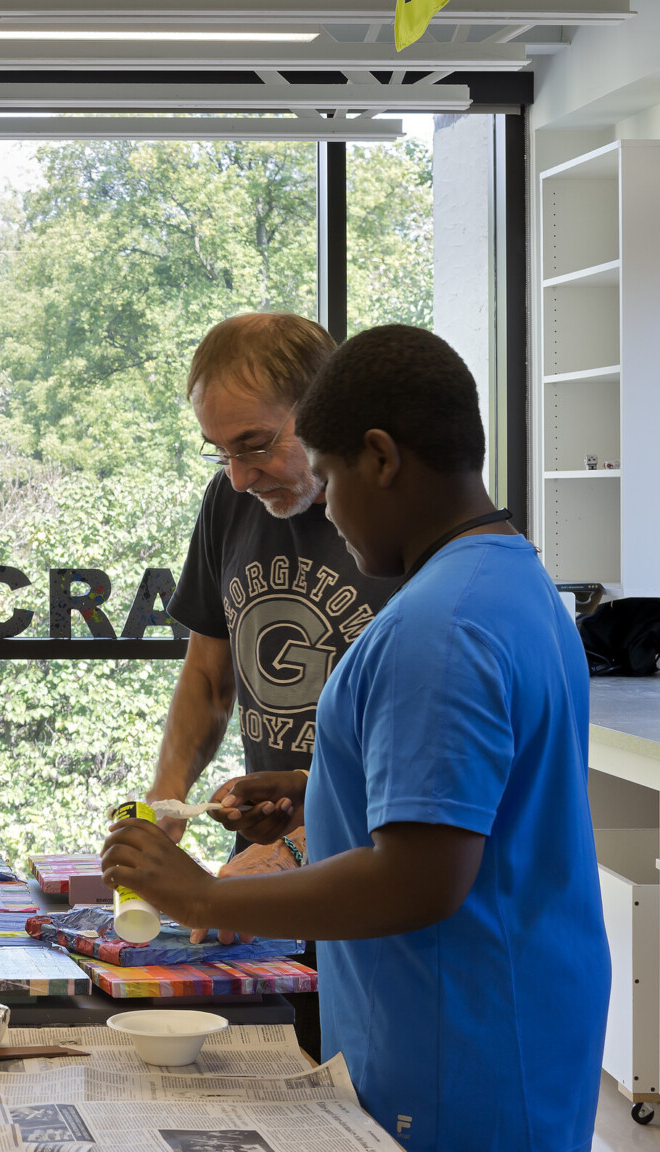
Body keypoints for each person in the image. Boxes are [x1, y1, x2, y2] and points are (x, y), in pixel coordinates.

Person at [104, 325, 609, 1151]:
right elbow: (488, 798)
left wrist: (199, 896)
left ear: (379, 458)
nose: (328, 508)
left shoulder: (437, 627)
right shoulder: (513, 578)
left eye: (332, 476)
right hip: (521, 1019)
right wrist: (325, 791)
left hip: (452, 1048)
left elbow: (417, 881)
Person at [151, 313, 398, 1055]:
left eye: (255, 446)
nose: (238, 476)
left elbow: (414, 773)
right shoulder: (230, 501)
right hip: (274, 847)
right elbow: (207, 676)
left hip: (361, 868)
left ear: (325, 414)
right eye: (221, 453)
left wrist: (301, 844)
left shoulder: (396, 528)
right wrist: (163, 812)